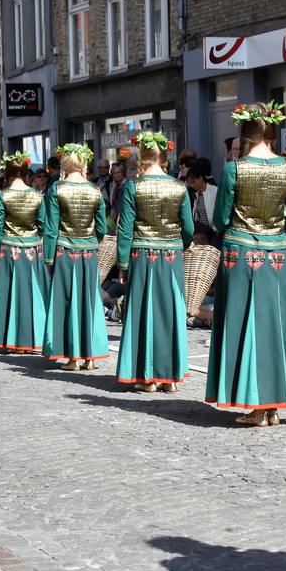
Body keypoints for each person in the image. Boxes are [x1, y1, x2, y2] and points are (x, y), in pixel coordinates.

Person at [206, 101, 286, 426]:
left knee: (244, 326)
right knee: (274, 326)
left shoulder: (234, 169)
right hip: (276, 256)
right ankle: (273, 405)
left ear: (245, 133)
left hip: (239, 255)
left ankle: (255, 405)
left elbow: (220, 219)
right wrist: (276, 226)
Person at [115, 131, 194, 392]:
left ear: (141, 157)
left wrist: (123, 263)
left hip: (141, 255)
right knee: (169, 312)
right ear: (164, 157)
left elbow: (125, 229)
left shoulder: (133, 187)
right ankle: (169, 377)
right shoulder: (179, 187)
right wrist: (180, 245)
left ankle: (148, 376)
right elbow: (188, 227)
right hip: (171, 255)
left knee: (144, 312)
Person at [42, 143, 109, 370]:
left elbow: (51, 228)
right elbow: (101, 227)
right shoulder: (95, 190)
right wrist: (91, 240)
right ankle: (90, 357)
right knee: (88, 301)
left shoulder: (57, 189)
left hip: (64, 251)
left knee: (68, 301)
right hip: (88, 252)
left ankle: (73, 358)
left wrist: (48, 258)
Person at [0, 152, 49, 353]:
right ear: (25, 173)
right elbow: (43, 224)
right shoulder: (37, 195)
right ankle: (33, 337)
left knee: (12, 294)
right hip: (32, 249)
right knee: (32, 294)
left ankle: (14, 338)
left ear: (7, 173)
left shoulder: (2, 195)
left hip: (9, 248)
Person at [185, 158, 217, 243]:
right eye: (190, 183)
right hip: (200, 231)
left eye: (193, 182)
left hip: (212, 232)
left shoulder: (215, 191)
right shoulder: (196, 193)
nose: (192, 185)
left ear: (201, 178)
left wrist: (216, 229)